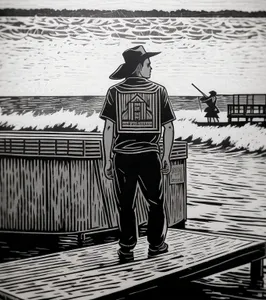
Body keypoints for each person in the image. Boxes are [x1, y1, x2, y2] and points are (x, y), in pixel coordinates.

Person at [99, 45, 176, 263]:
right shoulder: (159, 91)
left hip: (122, 156)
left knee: (125, 204)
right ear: (138, 67)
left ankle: (126, 247)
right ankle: (156, 245)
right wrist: (166, 156)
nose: (151, 68)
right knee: (155, 202)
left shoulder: (114, 92)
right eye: (148, 64)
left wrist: (106, 160)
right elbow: (168, 127)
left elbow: (108, 129)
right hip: (150, 156)